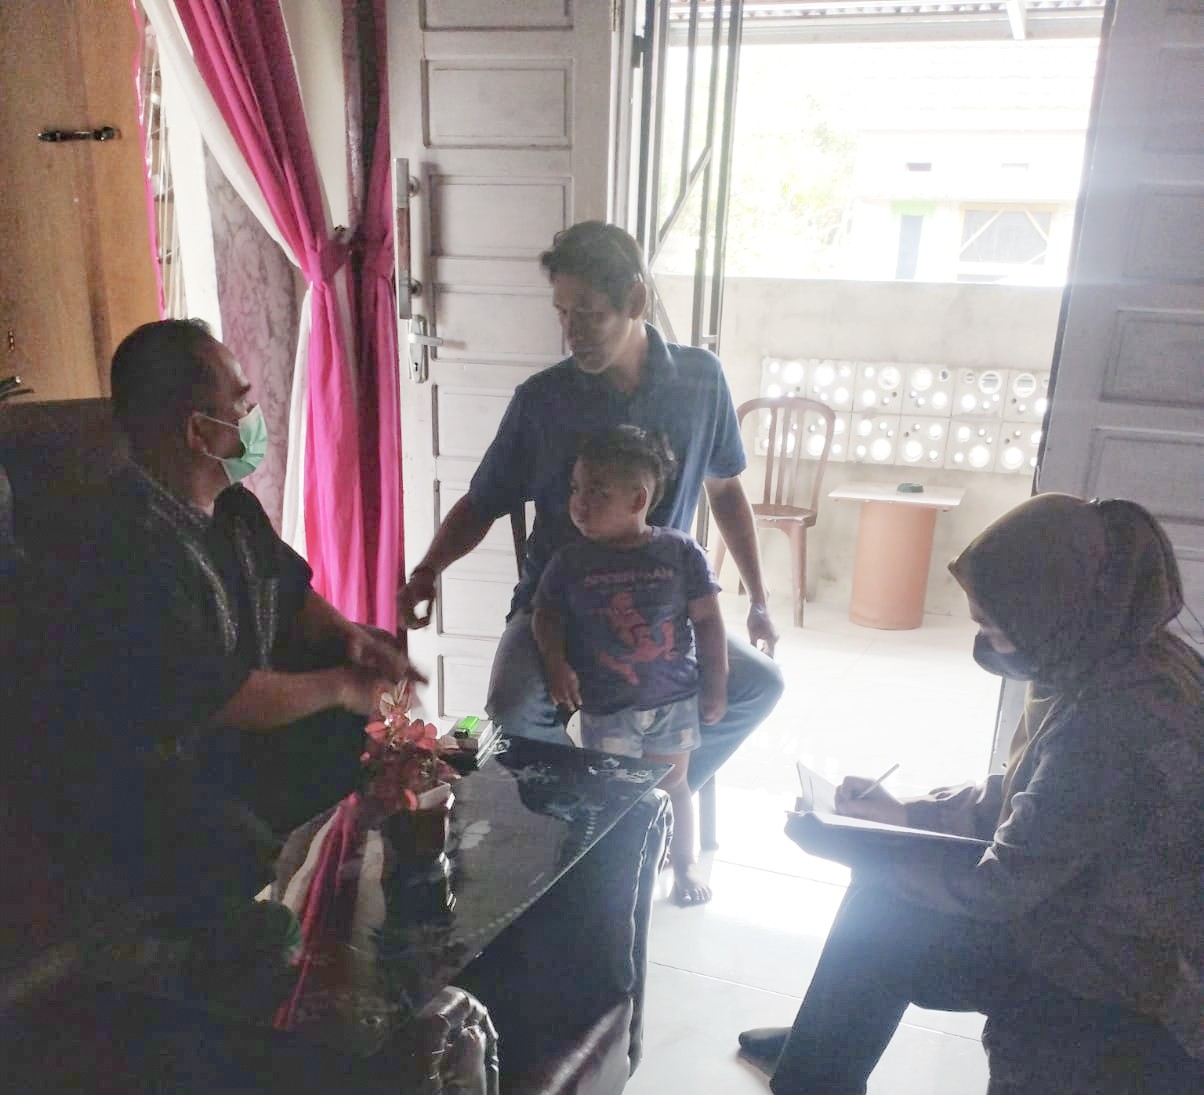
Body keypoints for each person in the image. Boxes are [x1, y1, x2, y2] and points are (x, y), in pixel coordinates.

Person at [708, 494, 1204, 1095]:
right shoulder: (1118, 657)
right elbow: (1027, 799)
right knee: (887, 879)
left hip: (1115, 965)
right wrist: (902, 813)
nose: (985, 643)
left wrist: (860, 849)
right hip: (1089, 909)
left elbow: (1001, 888)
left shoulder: (1109, 726)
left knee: (886, 909)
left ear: (1048, 613)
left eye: (994, 628)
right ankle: (817, 1048)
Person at [397, 221, 784, 792]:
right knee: (512, 711)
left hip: (661, 617)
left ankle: (644, 801)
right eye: (562, 313)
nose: (572, 333)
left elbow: (725, 492)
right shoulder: (543, 400)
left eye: (589, 314)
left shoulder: (700, 382)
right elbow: (483, 501)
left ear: (635, 300)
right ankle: (585, 812)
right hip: (557, 609)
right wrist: (428, 571)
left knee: (760, 685)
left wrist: (758, 599)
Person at [38, 318, 418, 896]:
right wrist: (342, 686)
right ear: (198, 430)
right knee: (242, 832)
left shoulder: (234, 507)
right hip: (163, 771)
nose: (252, 415)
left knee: (374, 741)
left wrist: (355, 642)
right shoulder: (125, 546)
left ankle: (353, 890)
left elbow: (289, 592)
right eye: (240, 402)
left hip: (241, 741)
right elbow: (219, 696)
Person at [533, 426, 727, 905]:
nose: (579, 503)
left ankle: (683, 864)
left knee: (675, 786)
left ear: (638, 499)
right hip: (608, 706)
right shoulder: (570, 562)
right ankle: (620, 868)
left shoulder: (680, 552)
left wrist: (716, 684)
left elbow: (708, 620)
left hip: (673, 700)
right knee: (613, 794)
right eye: (576, 489)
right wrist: (556, 664)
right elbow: (546, 617)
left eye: (597, 492)